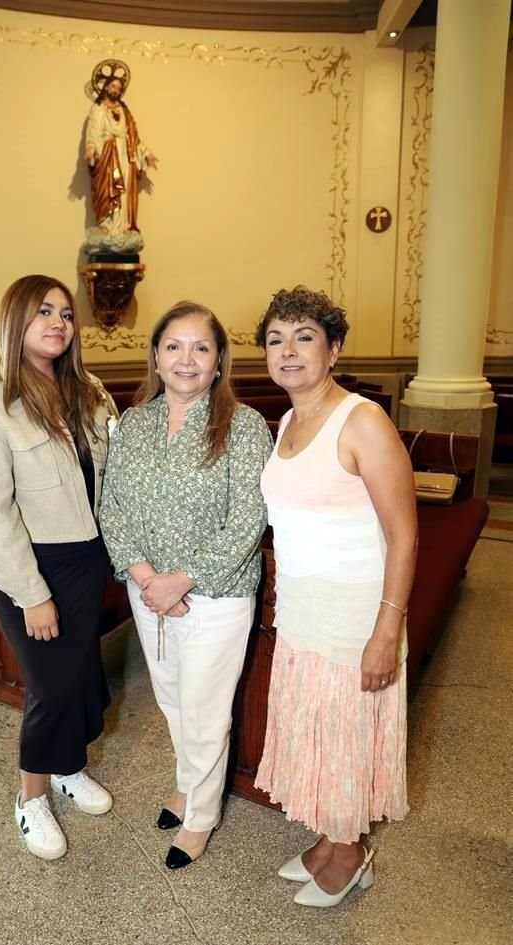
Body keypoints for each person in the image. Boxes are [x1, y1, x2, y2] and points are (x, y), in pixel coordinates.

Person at [254, 286, 418, 907]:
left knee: (346, 733)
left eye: (304, 337)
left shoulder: (363, 420)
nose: (288, 351)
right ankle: (330, 836)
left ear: (334, 349)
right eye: (275, 339)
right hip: (303, 611)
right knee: (317, 729)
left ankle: (351, 851)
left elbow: (404, 535)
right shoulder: (292, 420)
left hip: (356, 616)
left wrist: (386, 631)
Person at [0, 274, 118, 861]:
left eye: (67, 315)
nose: (58, 323)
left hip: (86, 554)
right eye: (43, 311)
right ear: (14, 321)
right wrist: (30, 593)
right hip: (32, 565)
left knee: (79, 671)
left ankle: (69, 767)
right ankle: (31, 797)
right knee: (48, 684)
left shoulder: (88, 391)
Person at [99, 301, 273, 870]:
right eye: (174, 346)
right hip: (147, 591)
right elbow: (113, 507)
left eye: (201, 347)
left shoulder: (243, 425)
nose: (187, 358)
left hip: (214, 593)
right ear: (155, 355)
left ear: (220, 359)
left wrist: (183, 580)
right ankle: (188, 785)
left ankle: (202, 815)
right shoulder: (136, 422)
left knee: (205, 709)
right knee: (173, 699)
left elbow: (250, 515)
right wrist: (147, 578)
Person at [85, 69, 158, 237]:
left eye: (119, 88)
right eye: (113, 86)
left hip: (124, 155)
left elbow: (133, 137)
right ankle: (106, 223)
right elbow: (93, 131)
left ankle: (121, 227)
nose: (116, 90)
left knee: (123, 190)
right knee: (106, 188)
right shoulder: (98, 108)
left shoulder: (125, 111)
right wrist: (91, 147)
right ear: (106, 88)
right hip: (107, 153)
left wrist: (146, 154)